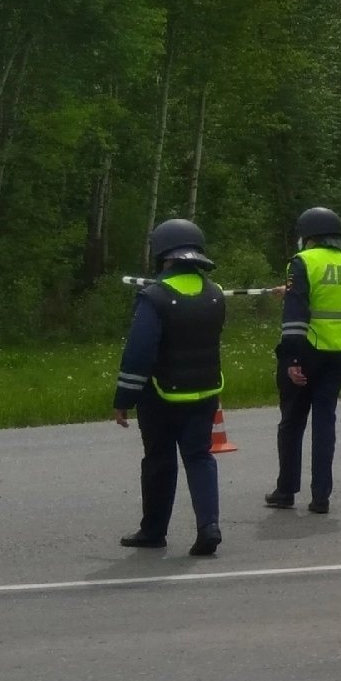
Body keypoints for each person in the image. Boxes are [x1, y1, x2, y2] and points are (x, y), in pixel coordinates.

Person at [114, 219, 227, 556]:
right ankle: (209, 525)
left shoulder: (154, 296)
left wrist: (124, 399)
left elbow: (139, 353)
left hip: (160, 395)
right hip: (206, 391)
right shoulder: (215, 293)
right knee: (199, 457)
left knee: (159, 461)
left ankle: (153, 531)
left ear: (162, 254)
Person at [266, 206, 341, 515]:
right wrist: (293, 289)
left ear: (308, 237)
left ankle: (286, 490)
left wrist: (292, 359)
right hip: (340, 352)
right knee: (325, 422)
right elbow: (329, 295)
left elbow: (295, 316)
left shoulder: (303, 262)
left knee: (292, 422)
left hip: (307, 349)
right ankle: (321, 495)